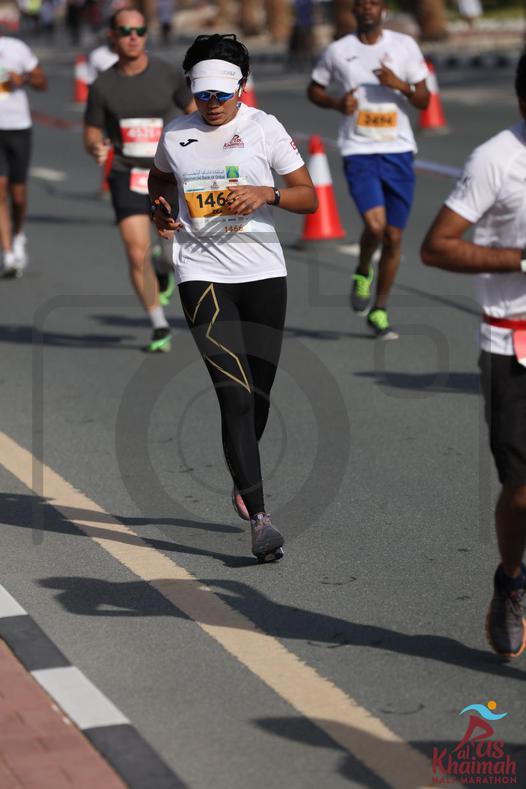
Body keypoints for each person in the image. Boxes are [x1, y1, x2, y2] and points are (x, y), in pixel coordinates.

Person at [149, 33, 317, 561]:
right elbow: (158, 179)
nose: (212, 104)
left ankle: (243, 479)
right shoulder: (177, 134)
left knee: (259, 393)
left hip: (263, 273)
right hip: (201, 273)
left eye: (221, 95)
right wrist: (161, 212)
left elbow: (309, 196)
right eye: (203, 95)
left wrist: (268, 193)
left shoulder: (264, 127)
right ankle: (261, 520)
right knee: (234, 395)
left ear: (240, 88)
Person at [421, 53, 526, 659]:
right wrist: (521, 260)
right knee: (522, 490)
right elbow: (437, 247)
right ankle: (511, 579)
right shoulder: (496, 159)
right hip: (512, 343)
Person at [307, 0, 429, 339]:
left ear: (383, 10)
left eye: (374, 3)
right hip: (359, 150)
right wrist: (336, 103)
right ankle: (363, 269)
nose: (368, 9)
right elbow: (314, 89)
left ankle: (380, 309)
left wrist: (400, 85)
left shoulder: (404, 46)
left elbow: (424, 100)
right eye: (361, 4)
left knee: (394, 237)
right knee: (375, 227)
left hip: (398, 150)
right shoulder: (338, 50)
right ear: (354, 12)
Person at [84, 7, 194, 352]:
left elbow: (194, 111)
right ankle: (159, 324)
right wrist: (96, 147)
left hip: (168, 175)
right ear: (112, 36)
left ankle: (163, 268)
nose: (133, 37)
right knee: (136, 251)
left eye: (140, 30)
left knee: (170, 254)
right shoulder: (102, 86)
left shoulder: (167, 74)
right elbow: (91, 131)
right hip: (127, 173)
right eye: (125, 31)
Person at [0, 34, 47, 278]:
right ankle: (8, 252)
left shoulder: (16, 48)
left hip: (17, 127)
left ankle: (18, 235)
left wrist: (24, 78)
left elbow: (42, 81)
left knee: (18, 195)